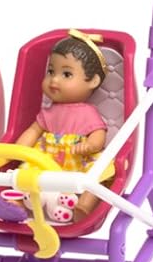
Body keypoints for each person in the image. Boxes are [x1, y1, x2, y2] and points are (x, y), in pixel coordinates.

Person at [16, 29, 109, 222]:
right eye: (51, 71)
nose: (54, 79)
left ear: (93, 81)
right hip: (47, 158)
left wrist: (90, 145)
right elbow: (33, 130)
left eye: (66, 74)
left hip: (77, 157)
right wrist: (18, 150)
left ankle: (84, 205)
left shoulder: (87, 111)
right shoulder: (48, 112)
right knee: (24, 171)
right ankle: (18, 202)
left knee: (100, 172)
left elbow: (98, 133)